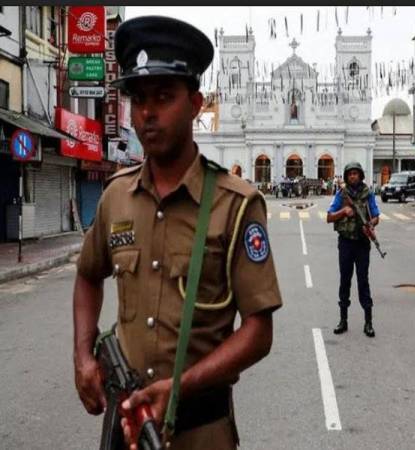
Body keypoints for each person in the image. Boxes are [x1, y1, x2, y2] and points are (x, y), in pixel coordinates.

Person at [72, 16, 282, 450]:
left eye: (164, 97)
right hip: (125, 429)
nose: (148, 112)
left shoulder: (235, 204)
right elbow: (88, 274)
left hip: (202, 432)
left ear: (195, 103)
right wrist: (83, 357)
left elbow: (259, 331)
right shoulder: (115, 197)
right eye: (139, 99)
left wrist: (179, 387)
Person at [326, 162, 380, 338]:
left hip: (363, 243)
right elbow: (329, 216)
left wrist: (370, 225)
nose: (353, 177)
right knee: (345, 281)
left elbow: (376, 215)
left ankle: (368, 322)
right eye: (350, 174)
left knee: (363, 281)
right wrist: (343, 212)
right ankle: (343, 320)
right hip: (346, 243)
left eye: (356, 174)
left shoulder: (368, 194)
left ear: (361, 176)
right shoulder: (341, 195)